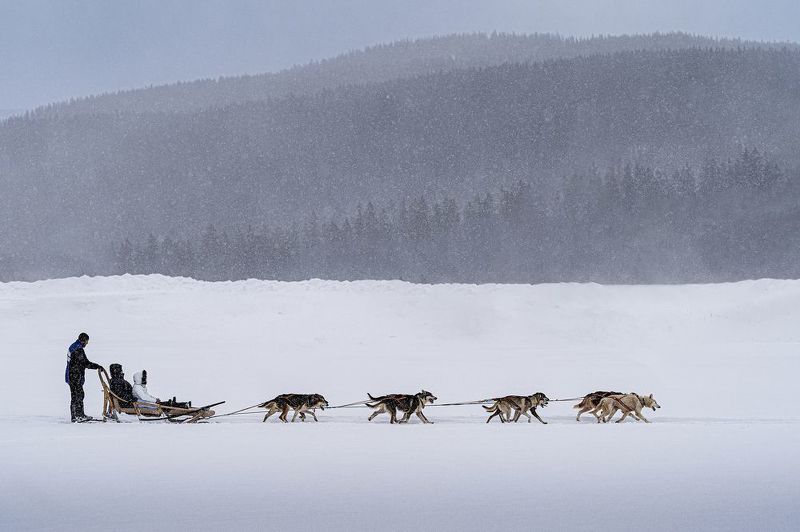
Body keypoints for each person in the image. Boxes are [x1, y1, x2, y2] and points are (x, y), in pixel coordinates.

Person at [65, 332, 102, 422]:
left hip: (72, 375)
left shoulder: (74, 346)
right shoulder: (78, 349)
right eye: (87, 341)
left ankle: (79, 414)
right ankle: (77, 416)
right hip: (75, 376)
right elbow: (85, 363)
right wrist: (97, 366)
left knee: (77, 395)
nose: (87, 344)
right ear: (83, 340)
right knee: (77, 395)